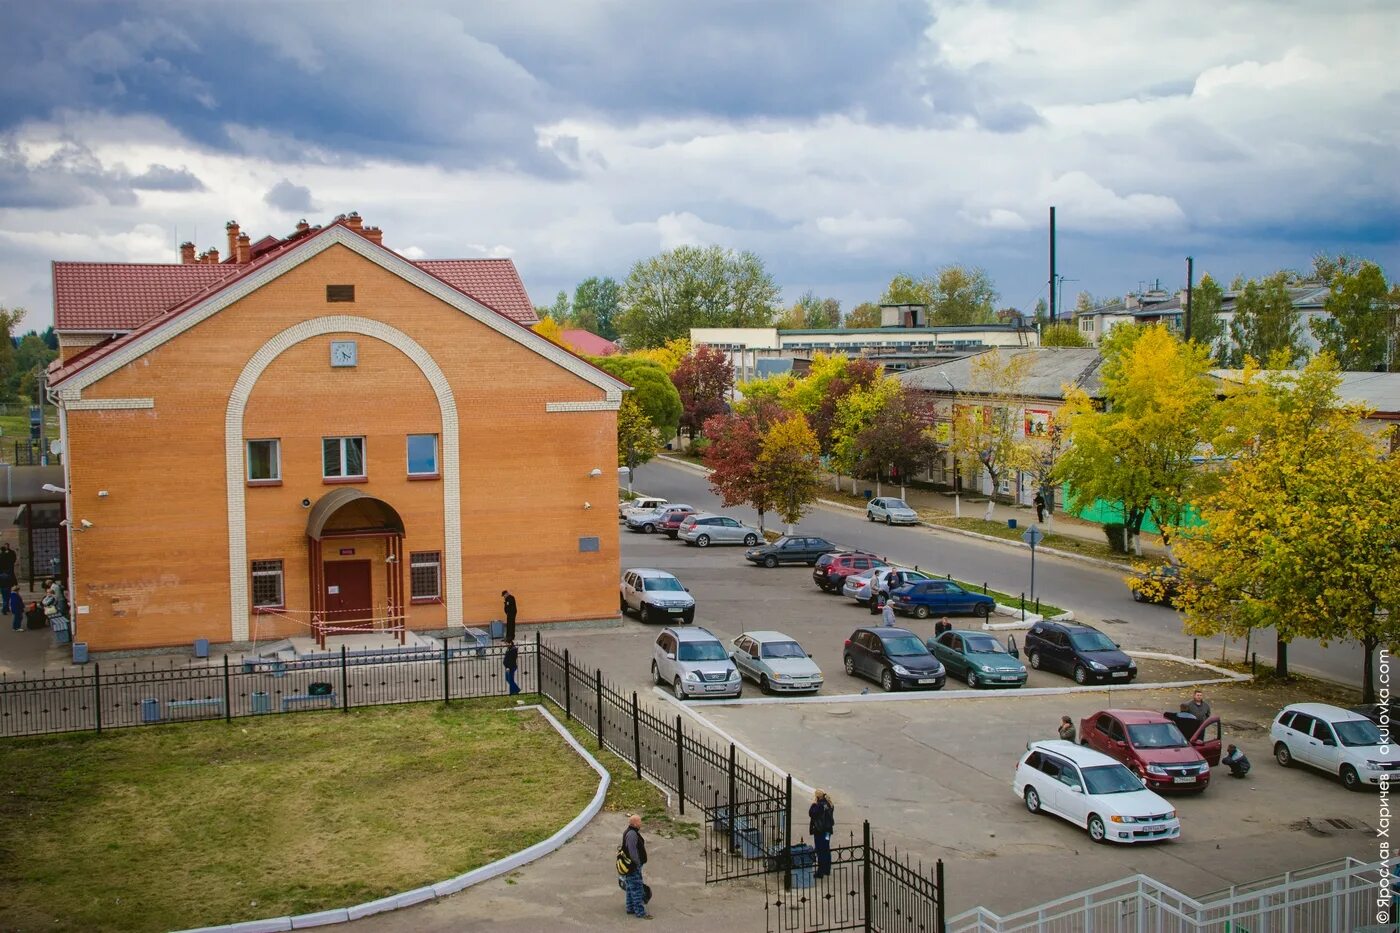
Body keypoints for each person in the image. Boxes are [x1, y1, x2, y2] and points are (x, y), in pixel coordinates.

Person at [620, 814, 652, 920]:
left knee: (630, 887)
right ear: (634, 823)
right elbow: (632, 851)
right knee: (637, 889)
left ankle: (630, 908)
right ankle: (640, 912)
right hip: (633, 867)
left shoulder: (629, 832)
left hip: (630, 866)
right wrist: (637, 863)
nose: (640, 823)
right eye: (639, 822)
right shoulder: (632, 834)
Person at [809, 789, 835, 879]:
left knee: (820, 850)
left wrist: (813, 803)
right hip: (828, 831)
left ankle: (820, 872)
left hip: (820, 831)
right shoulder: (829, 804)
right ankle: (827, 869)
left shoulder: (819, 806)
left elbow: (811, 813)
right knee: (826, 848)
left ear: (817, 796)